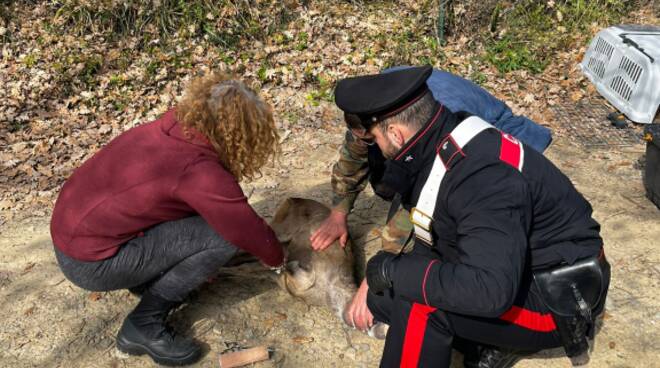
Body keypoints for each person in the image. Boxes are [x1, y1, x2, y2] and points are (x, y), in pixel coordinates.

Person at [333, 66, 610, 367]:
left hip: (557, 295)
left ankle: (480, 339)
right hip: (512, 268)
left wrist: (395, 270)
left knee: (420, 299)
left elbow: (490, 291)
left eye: (374, 138)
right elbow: (430, 227)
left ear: (396, 133)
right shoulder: (441, 138)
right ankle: (478, 339)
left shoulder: (483, 177)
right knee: (383, 294)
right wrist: (391, 272)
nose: (377, 147)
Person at [50, 72, 286, 366]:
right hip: (91, 263)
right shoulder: (197, 169)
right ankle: (143, 326)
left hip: (73, 237)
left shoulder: (174, 126)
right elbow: (245, 229)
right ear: (237, 134)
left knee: (203, 221)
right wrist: (278, 258)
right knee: (222, 237)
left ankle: (146, 279)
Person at [310, 66, 552, 251]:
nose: (364, 142)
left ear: (390, 127)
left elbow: (424, 195)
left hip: (502, 140)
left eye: (370, 137)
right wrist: (338, 213)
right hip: (444, 129)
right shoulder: (379, 100)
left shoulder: (433, 126)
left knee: (465, 224)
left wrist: (388, 258)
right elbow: (353, 155)